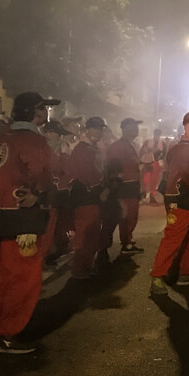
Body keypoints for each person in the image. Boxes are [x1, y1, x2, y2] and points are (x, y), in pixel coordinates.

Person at [0, 91, 58, 353]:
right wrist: (40, 194)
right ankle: (6, 334)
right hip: (23, 219)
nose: (45, 113)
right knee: (24, 278)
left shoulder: (3, 140)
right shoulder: (33, 140)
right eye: (42, 108)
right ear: (33, 112)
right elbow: (44, 173)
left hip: (0, 216)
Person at [148, 111, 189, 295]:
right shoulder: (182, 148)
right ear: (188, 126)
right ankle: (157, 277)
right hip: (181, 198)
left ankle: (187, 270)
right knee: (173, 238)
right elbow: (187, 172)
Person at [67, 116, 110, 280]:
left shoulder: (93, 148)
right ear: (87, 129)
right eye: (95, 128)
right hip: (86, 197)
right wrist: (99, 189)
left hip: (94, 196)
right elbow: (86, 173)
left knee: (92, 234)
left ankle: (86, 266)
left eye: (100, 129)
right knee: (84, 234)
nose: (98, 132)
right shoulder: (83, 149)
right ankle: (79, 269)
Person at [105, 117, 145, 256]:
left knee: (131, 216)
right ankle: (122, 242)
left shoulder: (132, 145)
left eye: (136, 127)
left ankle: (127, 239)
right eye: (133, 127)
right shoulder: (117, 147)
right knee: (125, 216)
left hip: (132, 185)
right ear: (124, 129)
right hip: (123, 186)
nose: (136, 130)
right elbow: (111, 168)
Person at [41, 120, 75, 264]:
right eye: (58, 134)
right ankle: (47, 250)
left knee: (62, 220)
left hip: (63, 189)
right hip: (49, 190)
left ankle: (60, 244)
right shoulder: (42, 149)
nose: (60, 137)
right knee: (50, 221)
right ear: (48, 133)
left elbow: (68, 168)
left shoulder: (62, 148)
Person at [139, 129, 167, 204]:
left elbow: (164, 154)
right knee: (147, 179)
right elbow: (142, 151)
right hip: (148, 163)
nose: (157, 136)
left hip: (157, 164)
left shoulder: (162, 143)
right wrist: (149, 150)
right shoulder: (148, 142)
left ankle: (150, 194)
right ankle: (147, 194)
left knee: (154, 180)